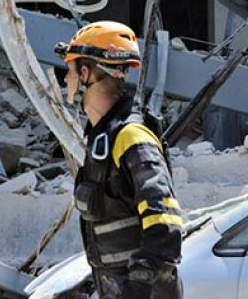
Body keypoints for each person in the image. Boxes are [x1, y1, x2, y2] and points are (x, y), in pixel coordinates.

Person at [55, 21, 183, 299]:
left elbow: (164, 218)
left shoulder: (131, 135)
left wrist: (142, 279)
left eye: (71, 70)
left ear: (86, 73)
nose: (67, 79)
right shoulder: (105, 138)